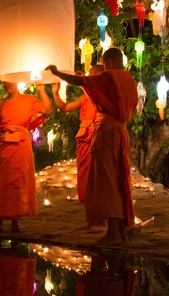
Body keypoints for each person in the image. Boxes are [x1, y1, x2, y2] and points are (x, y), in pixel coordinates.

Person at [46, 47, 138, 245]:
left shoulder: (110, 77)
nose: (104, 70)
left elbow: (82, 81)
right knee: (120, 180)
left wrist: (57, 72)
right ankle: (120, 230)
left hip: (106, 133)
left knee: (108, 183)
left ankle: (112, 232)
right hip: (120, 133)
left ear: (109, 62)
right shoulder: (128, 79)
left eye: (104, 65)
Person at [0, 82, 53, 233]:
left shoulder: (29, 99)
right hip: (4, 143)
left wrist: (42, 90)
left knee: (18, 180)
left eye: (9, 82)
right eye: (5, 82)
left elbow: (49, 110)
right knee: (2, 180)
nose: (6, 85)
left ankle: (15, 222)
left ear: (17, 82)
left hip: (22, 144)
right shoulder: (0, 103)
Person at [52, 66, 105, 234]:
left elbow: (95, 99)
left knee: (97, 180)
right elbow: (65, 108)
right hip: (83, 137)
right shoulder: (84, 96)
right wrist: (55, 92)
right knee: (85, 178)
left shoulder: (103, 94)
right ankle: (90, 220)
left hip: (97, 136)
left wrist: (83, 83)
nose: (88, 76)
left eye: (91, 75)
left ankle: (101, 221)